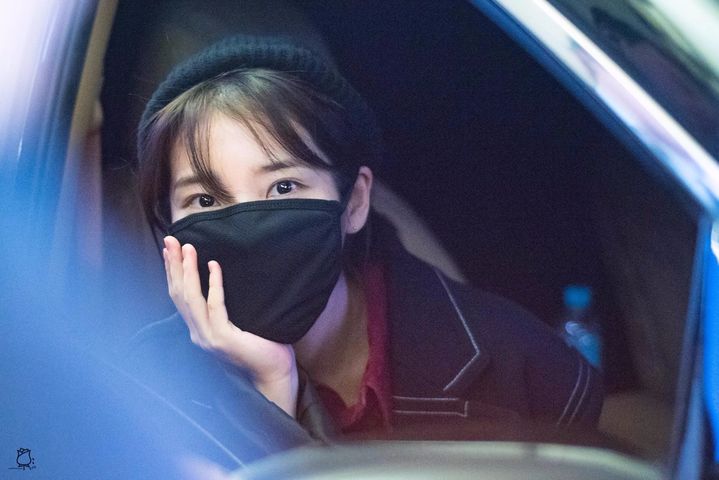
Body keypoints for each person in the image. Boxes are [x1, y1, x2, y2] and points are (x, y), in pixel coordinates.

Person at [130, 34, 603, 441]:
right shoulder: (133, 390)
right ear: (167, 226)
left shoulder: (525, 371)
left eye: (284, 187)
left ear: (354, 202)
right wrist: (272, 391)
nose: (247, 225)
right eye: (205, 200)